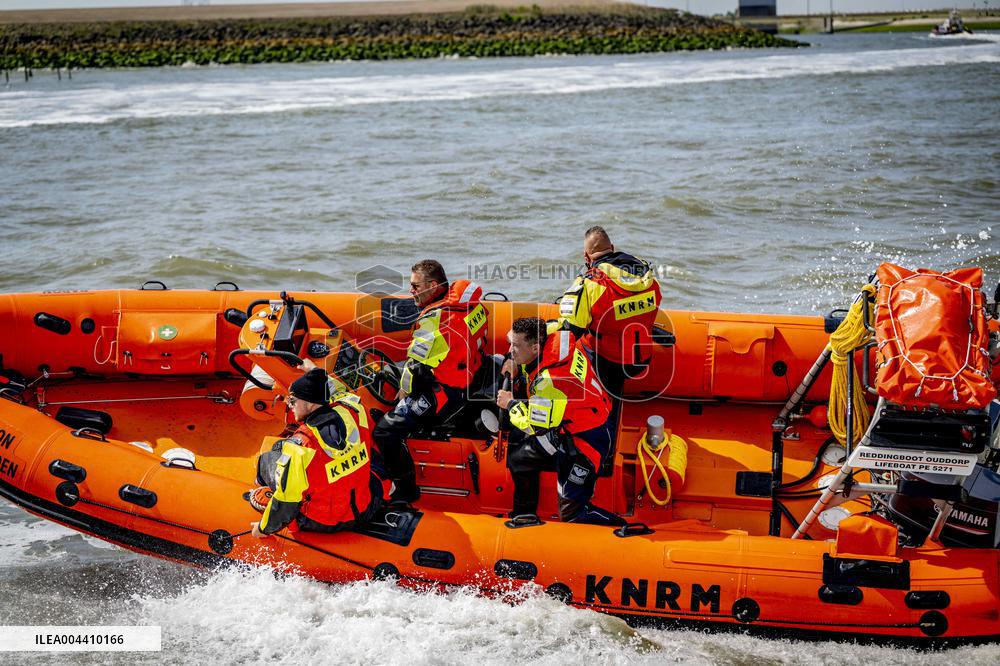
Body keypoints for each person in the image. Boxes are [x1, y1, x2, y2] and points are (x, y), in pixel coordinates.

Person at [373, 259, 489, 504]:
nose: (411, 291)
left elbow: (413, 373)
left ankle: (405, 490)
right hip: (472, 375)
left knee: (385, 430)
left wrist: (400, 396)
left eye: (415, 286)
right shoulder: (469, 305)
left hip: (448, 391)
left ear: (433, 285)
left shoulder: (433, 321)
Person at [496, 317, 624, 526]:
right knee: (520, 458)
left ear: (536, 348)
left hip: (586, 439)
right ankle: (524, 515)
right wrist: (511, 359)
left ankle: (620, 528)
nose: (511, 349)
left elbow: (535, 426)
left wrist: (510, 404)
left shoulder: (548, 383)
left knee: (572, 514)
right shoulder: (554, 334)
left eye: (516, 346)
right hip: (574, 419)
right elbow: (551, 324)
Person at [251, 368, 383, 538]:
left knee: (267, 459)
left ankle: (262, 488)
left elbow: (287, 502)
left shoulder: (300, 448)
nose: (289, 405)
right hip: (365, 504)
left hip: (327, 521)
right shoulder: (354, 409)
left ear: (310, 403)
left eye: (292, 400)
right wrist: (314, 372)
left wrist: (263, 529)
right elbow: (340, 392)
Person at [557, 226, 662, 437]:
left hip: (608, 362)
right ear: (612, 248)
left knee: (575, 347)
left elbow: (569, 331)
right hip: (640, 358)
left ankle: (597, 426)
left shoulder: (590, 284)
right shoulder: (646, 276)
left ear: (586, 256)